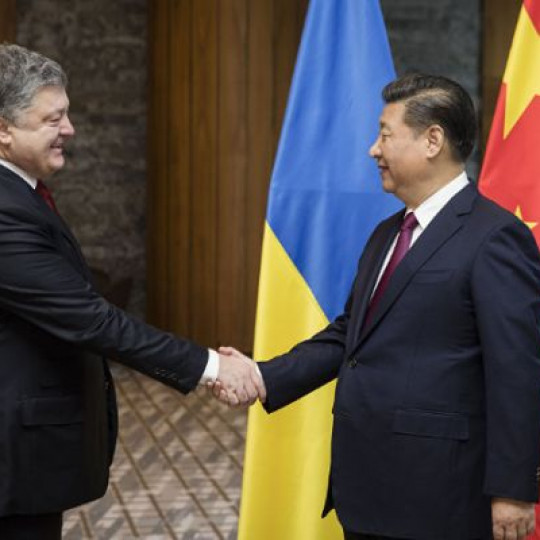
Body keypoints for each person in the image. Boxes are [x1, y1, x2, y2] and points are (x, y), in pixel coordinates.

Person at [216, 74, 540, 539]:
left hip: (440, 498)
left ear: (432, 141)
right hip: (367, 489)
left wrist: (513, 489)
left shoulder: (494, 236)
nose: (373, 149)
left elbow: (517, 370)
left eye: (386, 135)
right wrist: (264, 375)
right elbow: (350, 334)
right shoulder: (387, 233)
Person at [0, 43, 264, 539]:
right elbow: (91, 319)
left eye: (67, 114)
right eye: (53, 119)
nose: (70, 130)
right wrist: (212, 367)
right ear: (3, 129)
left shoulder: (20, 193)